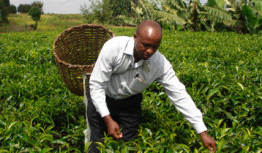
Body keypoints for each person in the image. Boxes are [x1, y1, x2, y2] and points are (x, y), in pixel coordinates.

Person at [87, 20, 217, 153]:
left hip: (129, 104)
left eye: (155, 47)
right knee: (97, 143)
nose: (149, 51)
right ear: (135, 37)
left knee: (127, 146)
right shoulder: (113, 48)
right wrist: (107, 118)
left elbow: (179, 95)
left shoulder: (159, 64)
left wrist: (202, 131)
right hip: (102, 97)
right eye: (145, 45)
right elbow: (97, 85)